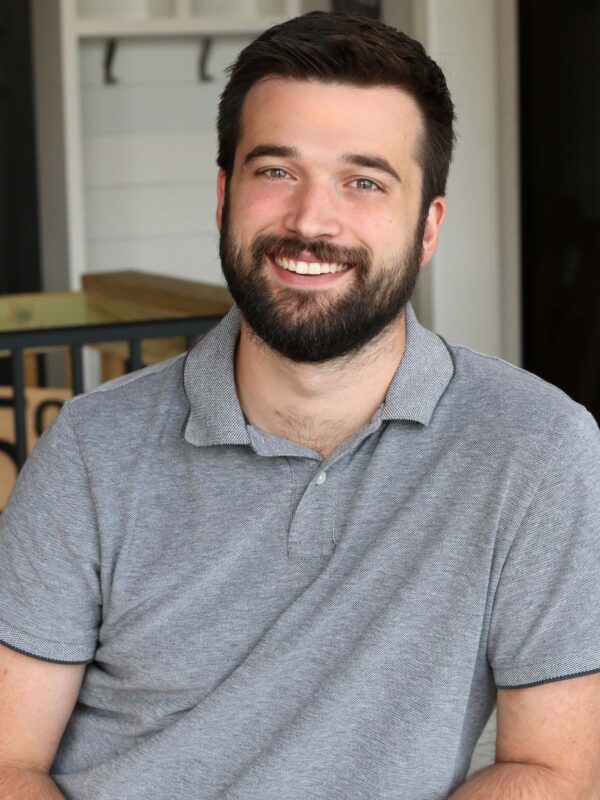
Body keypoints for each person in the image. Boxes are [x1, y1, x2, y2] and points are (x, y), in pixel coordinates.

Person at [0, 11, 599, 800]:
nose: (312, 222)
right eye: (276, 171)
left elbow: (555, 770)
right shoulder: (90, 447)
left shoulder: (538, 446)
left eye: (364, 182)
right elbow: (11, 760)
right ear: (223, 197)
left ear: (428, 228)